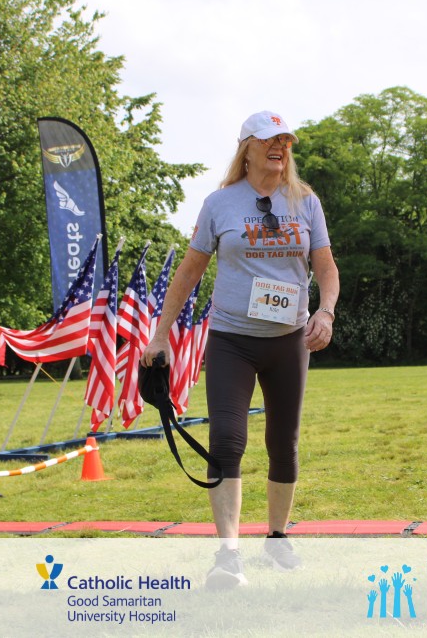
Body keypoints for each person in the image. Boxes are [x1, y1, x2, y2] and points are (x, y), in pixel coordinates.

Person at [142, 111, 339, 590]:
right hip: (232, 339)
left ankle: (277, 538)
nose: (280, 147)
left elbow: (326, 268)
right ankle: (228, 555)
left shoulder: (306, 202)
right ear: (246, 147)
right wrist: (160, 334)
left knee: (283, 444)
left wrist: (326, 311)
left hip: (289, 340)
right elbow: (189, 272)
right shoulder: (220, 203)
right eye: (270, 139)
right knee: (227, 439)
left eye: (285, 140)